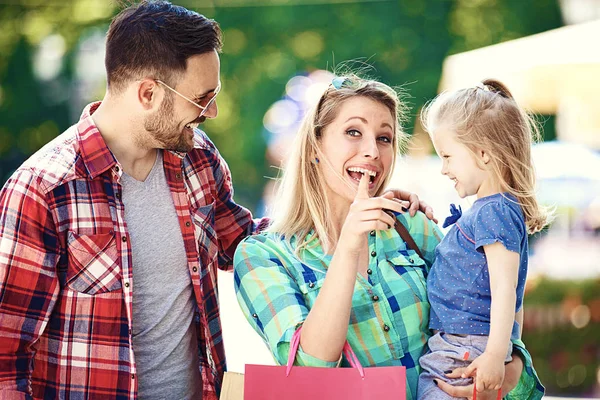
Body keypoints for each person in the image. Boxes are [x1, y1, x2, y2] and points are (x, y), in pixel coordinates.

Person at [0, 2, 428, 399]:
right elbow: (6, 358)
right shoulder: (43, 190)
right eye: (202, 98)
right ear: (148, 93)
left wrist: (359, 207)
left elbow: (250, 241)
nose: (215, 111)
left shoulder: (197, 160)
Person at [234, 74, 545, 400]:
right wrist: (349, 242)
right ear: (315, 145)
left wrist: (508, 374)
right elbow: (309, 372)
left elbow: (486, 313)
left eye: (385, 138)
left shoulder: (413, 228)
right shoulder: (261, 256)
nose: (372, 151)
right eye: (353, 132)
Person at [417, 79, 551, 399]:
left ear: (482, 153)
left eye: (447, 156)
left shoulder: (494, 212)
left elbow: (505, 291)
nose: (444, 169)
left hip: (467, 346)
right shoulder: (494, 209)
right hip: (464, 344)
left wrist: (494, 355)